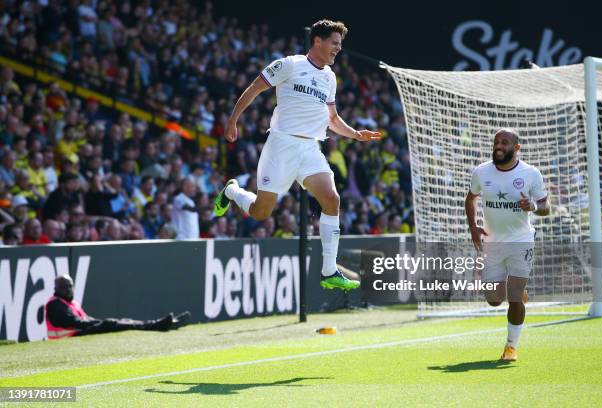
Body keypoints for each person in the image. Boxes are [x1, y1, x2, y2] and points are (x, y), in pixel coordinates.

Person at [214, 19, 380, 291]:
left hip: (309, 149)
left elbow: (332, 118)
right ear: (318, 41)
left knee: (331, 198)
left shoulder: (329, 77)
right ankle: (233, 192)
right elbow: (254, 89)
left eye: (340, 45)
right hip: (281, 145)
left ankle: (329, 271)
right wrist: (233, 120)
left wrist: (355, 134)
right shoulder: (289, 64)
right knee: (260, 213)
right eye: (334, 43)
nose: (338, 49)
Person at [465, 129, 549, 361]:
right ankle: (519, 294)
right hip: (492, 242)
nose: (498, 146)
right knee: (494, 300)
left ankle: (511, 347)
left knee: (513, 296)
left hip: (521, 242)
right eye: (496, 142)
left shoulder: (531, 173)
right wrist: (473, 226)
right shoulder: (481, 172)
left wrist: (532, 206)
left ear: (517, 148)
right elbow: (470, 198)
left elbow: (545, 207)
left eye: (504, 142)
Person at [45, 275, 191, 339]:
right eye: (64, 287)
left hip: (76, 333)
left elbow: (84, 320)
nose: (68, 289)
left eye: (70, 286)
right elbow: (75, 323)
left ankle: (159, 324)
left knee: (118, 322)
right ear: (56, 288)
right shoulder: (55, 304)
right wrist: (100, 323)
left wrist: (98, 322)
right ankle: (158, 325)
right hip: (69, 338)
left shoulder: (71, 302)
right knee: (111, 323)